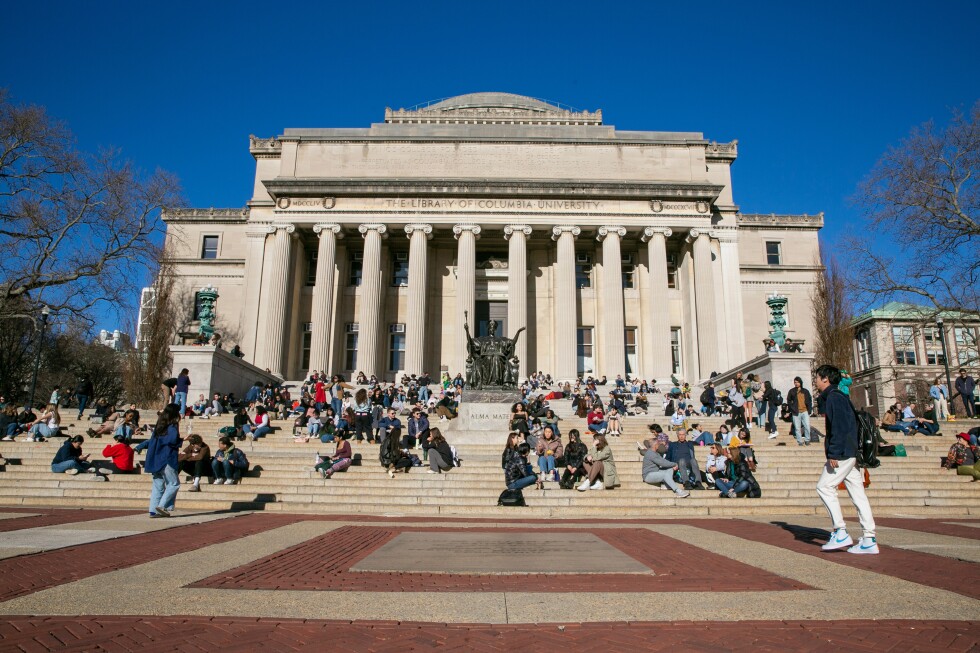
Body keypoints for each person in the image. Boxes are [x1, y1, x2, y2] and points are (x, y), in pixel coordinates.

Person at [813, 364, 878, 555]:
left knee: (824, 487)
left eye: (817, 377)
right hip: (851, 451)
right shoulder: (840, 396)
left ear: (825, 379)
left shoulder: (834, 398)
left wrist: (833, 452)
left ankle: (840, 530)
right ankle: (869, 537)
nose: (816, 381)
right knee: (858, 494)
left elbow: (840, 427)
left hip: (843, 452)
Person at [145, 405, 182, 516]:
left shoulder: (159, 426)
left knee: (158, 484)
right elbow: (171, 440)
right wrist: (181, 440)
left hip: (156, 457)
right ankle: (162, 506)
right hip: (167, 458)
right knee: (174, 483)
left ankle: (153, 510)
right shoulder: (172, 426)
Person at [786, 377, 813, 447]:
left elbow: (809, 400)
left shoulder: (805, 391)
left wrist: (809, 410)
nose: (796, 383)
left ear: (800, 382)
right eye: (795, 382)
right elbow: (788, 400)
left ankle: (807, 440)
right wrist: (791, 408)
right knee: (797, 428)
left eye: (797, 382)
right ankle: (800, 441)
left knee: (807, 426)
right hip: (796, 412)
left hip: (805, 411)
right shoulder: (792, 391)